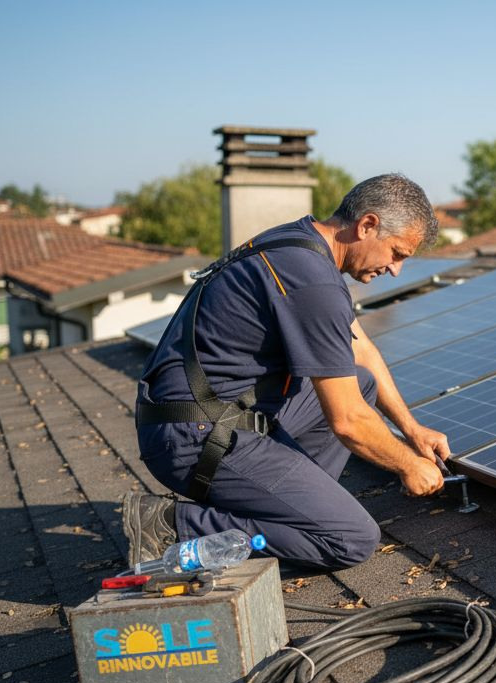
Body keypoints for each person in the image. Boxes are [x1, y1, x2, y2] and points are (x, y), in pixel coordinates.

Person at [127, 173, 450, 570]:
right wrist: (408, 464)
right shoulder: (311, 281)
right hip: (193, 438)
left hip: (203, 417)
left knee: (360, 384)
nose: (396, 269)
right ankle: (175, 526)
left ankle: (296, 506)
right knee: (350, 538)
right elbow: (348, 422)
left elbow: (361, 351)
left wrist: (412, 430)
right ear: (367, 225)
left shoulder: (302, 245)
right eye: (396, 253)